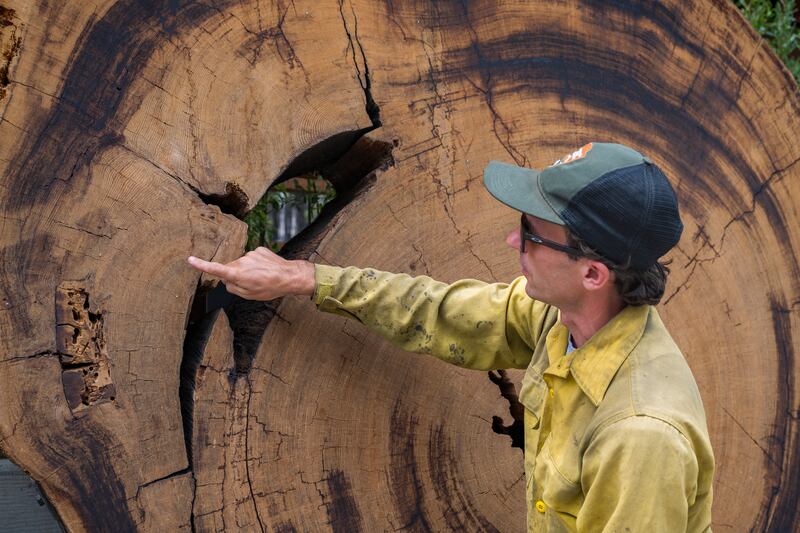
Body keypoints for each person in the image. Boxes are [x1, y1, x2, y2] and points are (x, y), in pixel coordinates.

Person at [187, 142, 714, 532]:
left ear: (593, 274)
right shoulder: (565, 320)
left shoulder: (641, 436)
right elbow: (445, 313)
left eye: (531, 234)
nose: (513, 239)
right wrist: (305, 278)